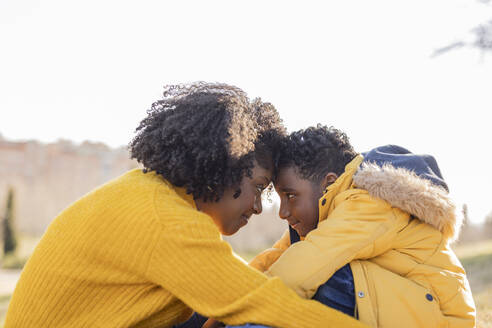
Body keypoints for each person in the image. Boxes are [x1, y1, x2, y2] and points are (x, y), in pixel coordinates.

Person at [4, 85, 365, 328]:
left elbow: (231, 281)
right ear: (223, 168)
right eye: (256, 187)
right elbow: (256, 298)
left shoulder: (151, 196)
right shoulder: (164, 219)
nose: (258, 207)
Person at [248, 125, 476, 327]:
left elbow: (303, 266)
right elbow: (277, 258)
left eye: (291, 196)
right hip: (404, 306)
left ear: (328, 183)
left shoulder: (370, 202)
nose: (283, 212)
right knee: (303, 271)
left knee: (324, 276)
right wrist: (228, 296)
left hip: (440, 317)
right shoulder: (324, 219)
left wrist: (241, 309)